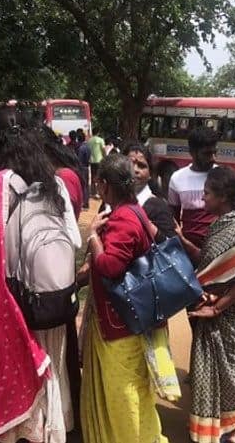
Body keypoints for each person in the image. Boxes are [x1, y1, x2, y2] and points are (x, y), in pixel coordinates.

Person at [0, 116, 81, 443]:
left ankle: (29, 433)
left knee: (27, 371)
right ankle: (57, 429)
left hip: (18, 302)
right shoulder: (56, 188)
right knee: (56, 368)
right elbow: (74, 242)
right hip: (58, 298)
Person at [81, 154, 179, 443]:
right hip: (128, 320)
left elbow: (111, 266)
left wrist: (93, 238)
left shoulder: (123, 218)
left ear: (103, 185)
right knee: (133, 391)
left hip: (120, 324)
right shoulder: (134, 210)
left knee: (123, 396)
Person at [176, 166, 235, 443]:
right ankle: (207, 433)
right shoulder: (219, 224)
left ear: (223, 195)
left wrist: (217, 307)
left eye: (207, 194)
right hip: (214, 311)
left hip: (233, 315)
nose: (203, 200)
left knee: (231, 378)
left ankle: (228, 434)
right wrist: (182, 240)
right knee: (205, 376)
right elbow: (211, 265)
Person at [168, 127, 219, 248]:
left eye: (214, 152)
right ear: (192, 152)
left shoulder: (221, 175)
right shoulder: (177, 178)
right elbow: (173, 217)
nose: (213, 158)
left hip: (218, 248)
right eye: (207, 154)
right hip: (188, 248)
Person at [124, 144, 176, 239]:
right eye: (129, 164)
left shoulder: (158, 206)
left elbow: (171, 248)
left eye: (141, 166)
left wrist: (150, 228)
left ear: (150, 174)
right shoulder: (110, 200)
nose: (135, 170)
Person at [88, 127, 105, 197]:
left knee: (92, 176)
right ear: (98, 132)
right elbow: (103, 149)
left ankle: (93, 191)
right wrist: (105, 157)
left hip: (92, 161)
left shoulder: (89, 140)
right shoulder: (100, 140)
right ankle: (98, 192)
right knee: (99, 176)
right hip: (99, 160)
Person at [77, 131, 91, 209]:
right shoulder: (88, 147)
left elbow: (79, 159)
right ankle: (86, 203)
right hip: (86, 167)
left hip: (81, 167)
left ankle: (83, 203)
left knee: (82, 185)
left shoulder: (81, 148)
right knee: (86, 186)